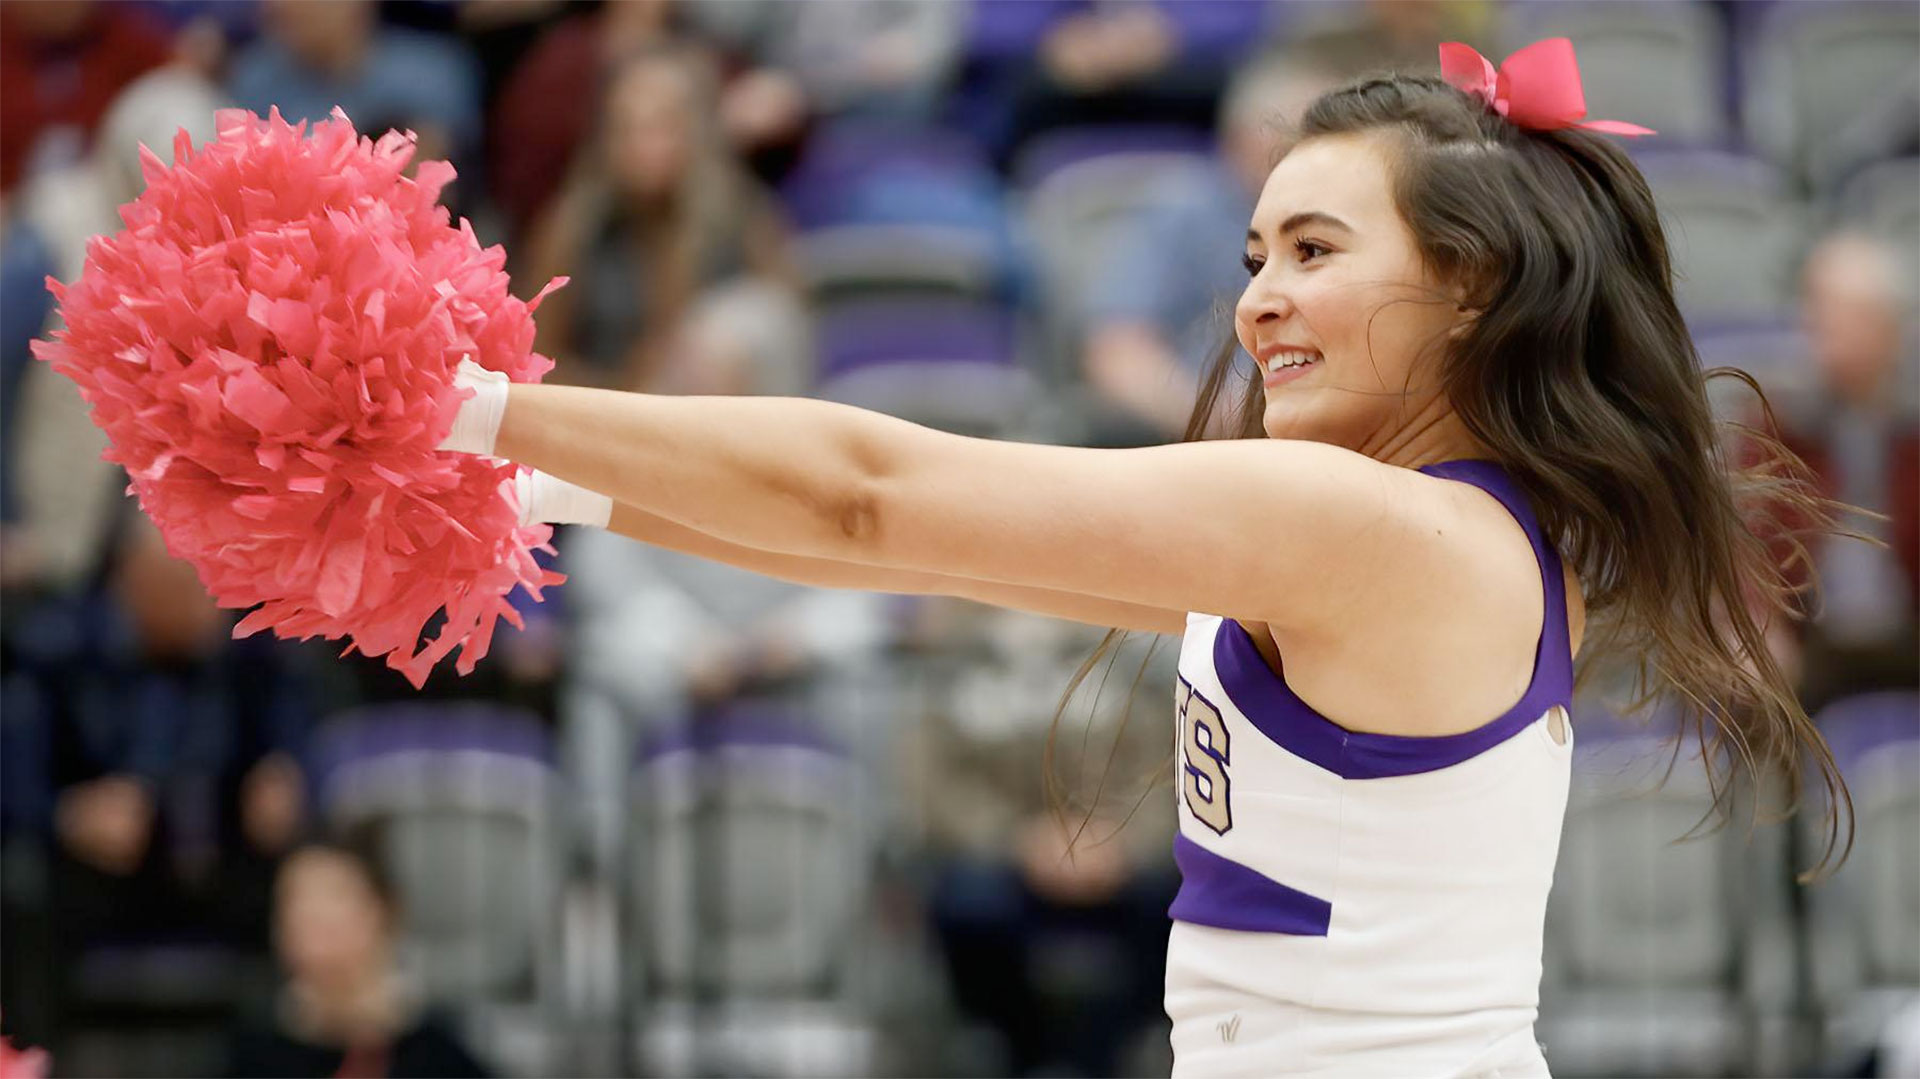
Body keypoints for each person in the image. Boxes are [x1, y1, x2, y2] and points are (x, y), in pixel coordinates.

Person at [434, 41, 1849, 1076]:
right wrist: (507, 485)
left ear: (1471, 289)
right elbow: (891, 552)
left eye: (1311, 248)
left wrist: (465, 404)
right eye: (1253, 256)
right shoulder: (1401, 536)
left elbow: (871, 493)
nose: (1259, 303)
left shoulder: (1365, 529)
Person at [225, 836, 489, 1078]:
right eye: (294, 904)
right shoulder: (255, 1055)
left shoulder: (438, 1056)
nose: (310, 919)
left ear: (386, 910)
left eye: (333, 899)